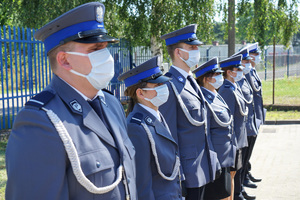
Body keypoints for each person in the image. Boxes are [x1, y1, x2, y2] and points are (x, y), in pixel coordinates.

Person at [5, 2, 137, 200]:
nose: (106, 56)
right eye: (95, 49)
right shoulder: (40, 122)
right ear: (65, 60)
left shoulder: (112, 105)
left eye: (106, 47)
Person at [159, 24, 221, 200]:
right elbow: (169, 136)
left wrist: (212, 159)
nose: (197, 51)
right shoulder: (169, 86)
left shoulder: (191, 81)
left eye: (197, 47)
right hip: (187, 173)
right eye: (192, 47)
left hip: (202, 168)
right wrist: (178, 177)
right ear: (178, 53)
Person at [118, 56, 182, 200]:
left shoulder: (156, 115)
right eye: (157, 86)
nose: (164, 89)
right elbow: (142, 185)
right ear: (140, 93)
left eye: (163, 84)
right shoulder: (136, 127)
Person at [192, 57, 236, 200]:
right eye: (216, 74)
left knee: (226, 193)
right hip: (216, 160)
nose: (220, 77)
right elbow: (206, 134)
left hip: (225, 156)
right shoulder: (204, 100)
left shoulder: (216, 95)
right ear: (206, 79)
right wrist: (213, 161)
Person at [218, 55, 248, 200]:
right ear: (229, 72)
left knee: (234, 174)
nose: (241, 71)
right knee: (229, 176)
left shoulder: (234, 87)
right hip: (233, 142)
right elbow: (227, 120)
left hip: (239, 141)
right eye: (238, 69)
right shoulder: (226, 90)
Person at [232, 48, 259, 200]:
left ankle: (240, 189)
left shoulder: (242, 79)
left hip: (248, 127)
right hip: (241, 131)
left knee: (243, 163)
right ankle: (238, 192)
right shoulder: (231, 86)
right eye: (245, 62)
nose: (247, 66)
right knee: (238, 166)